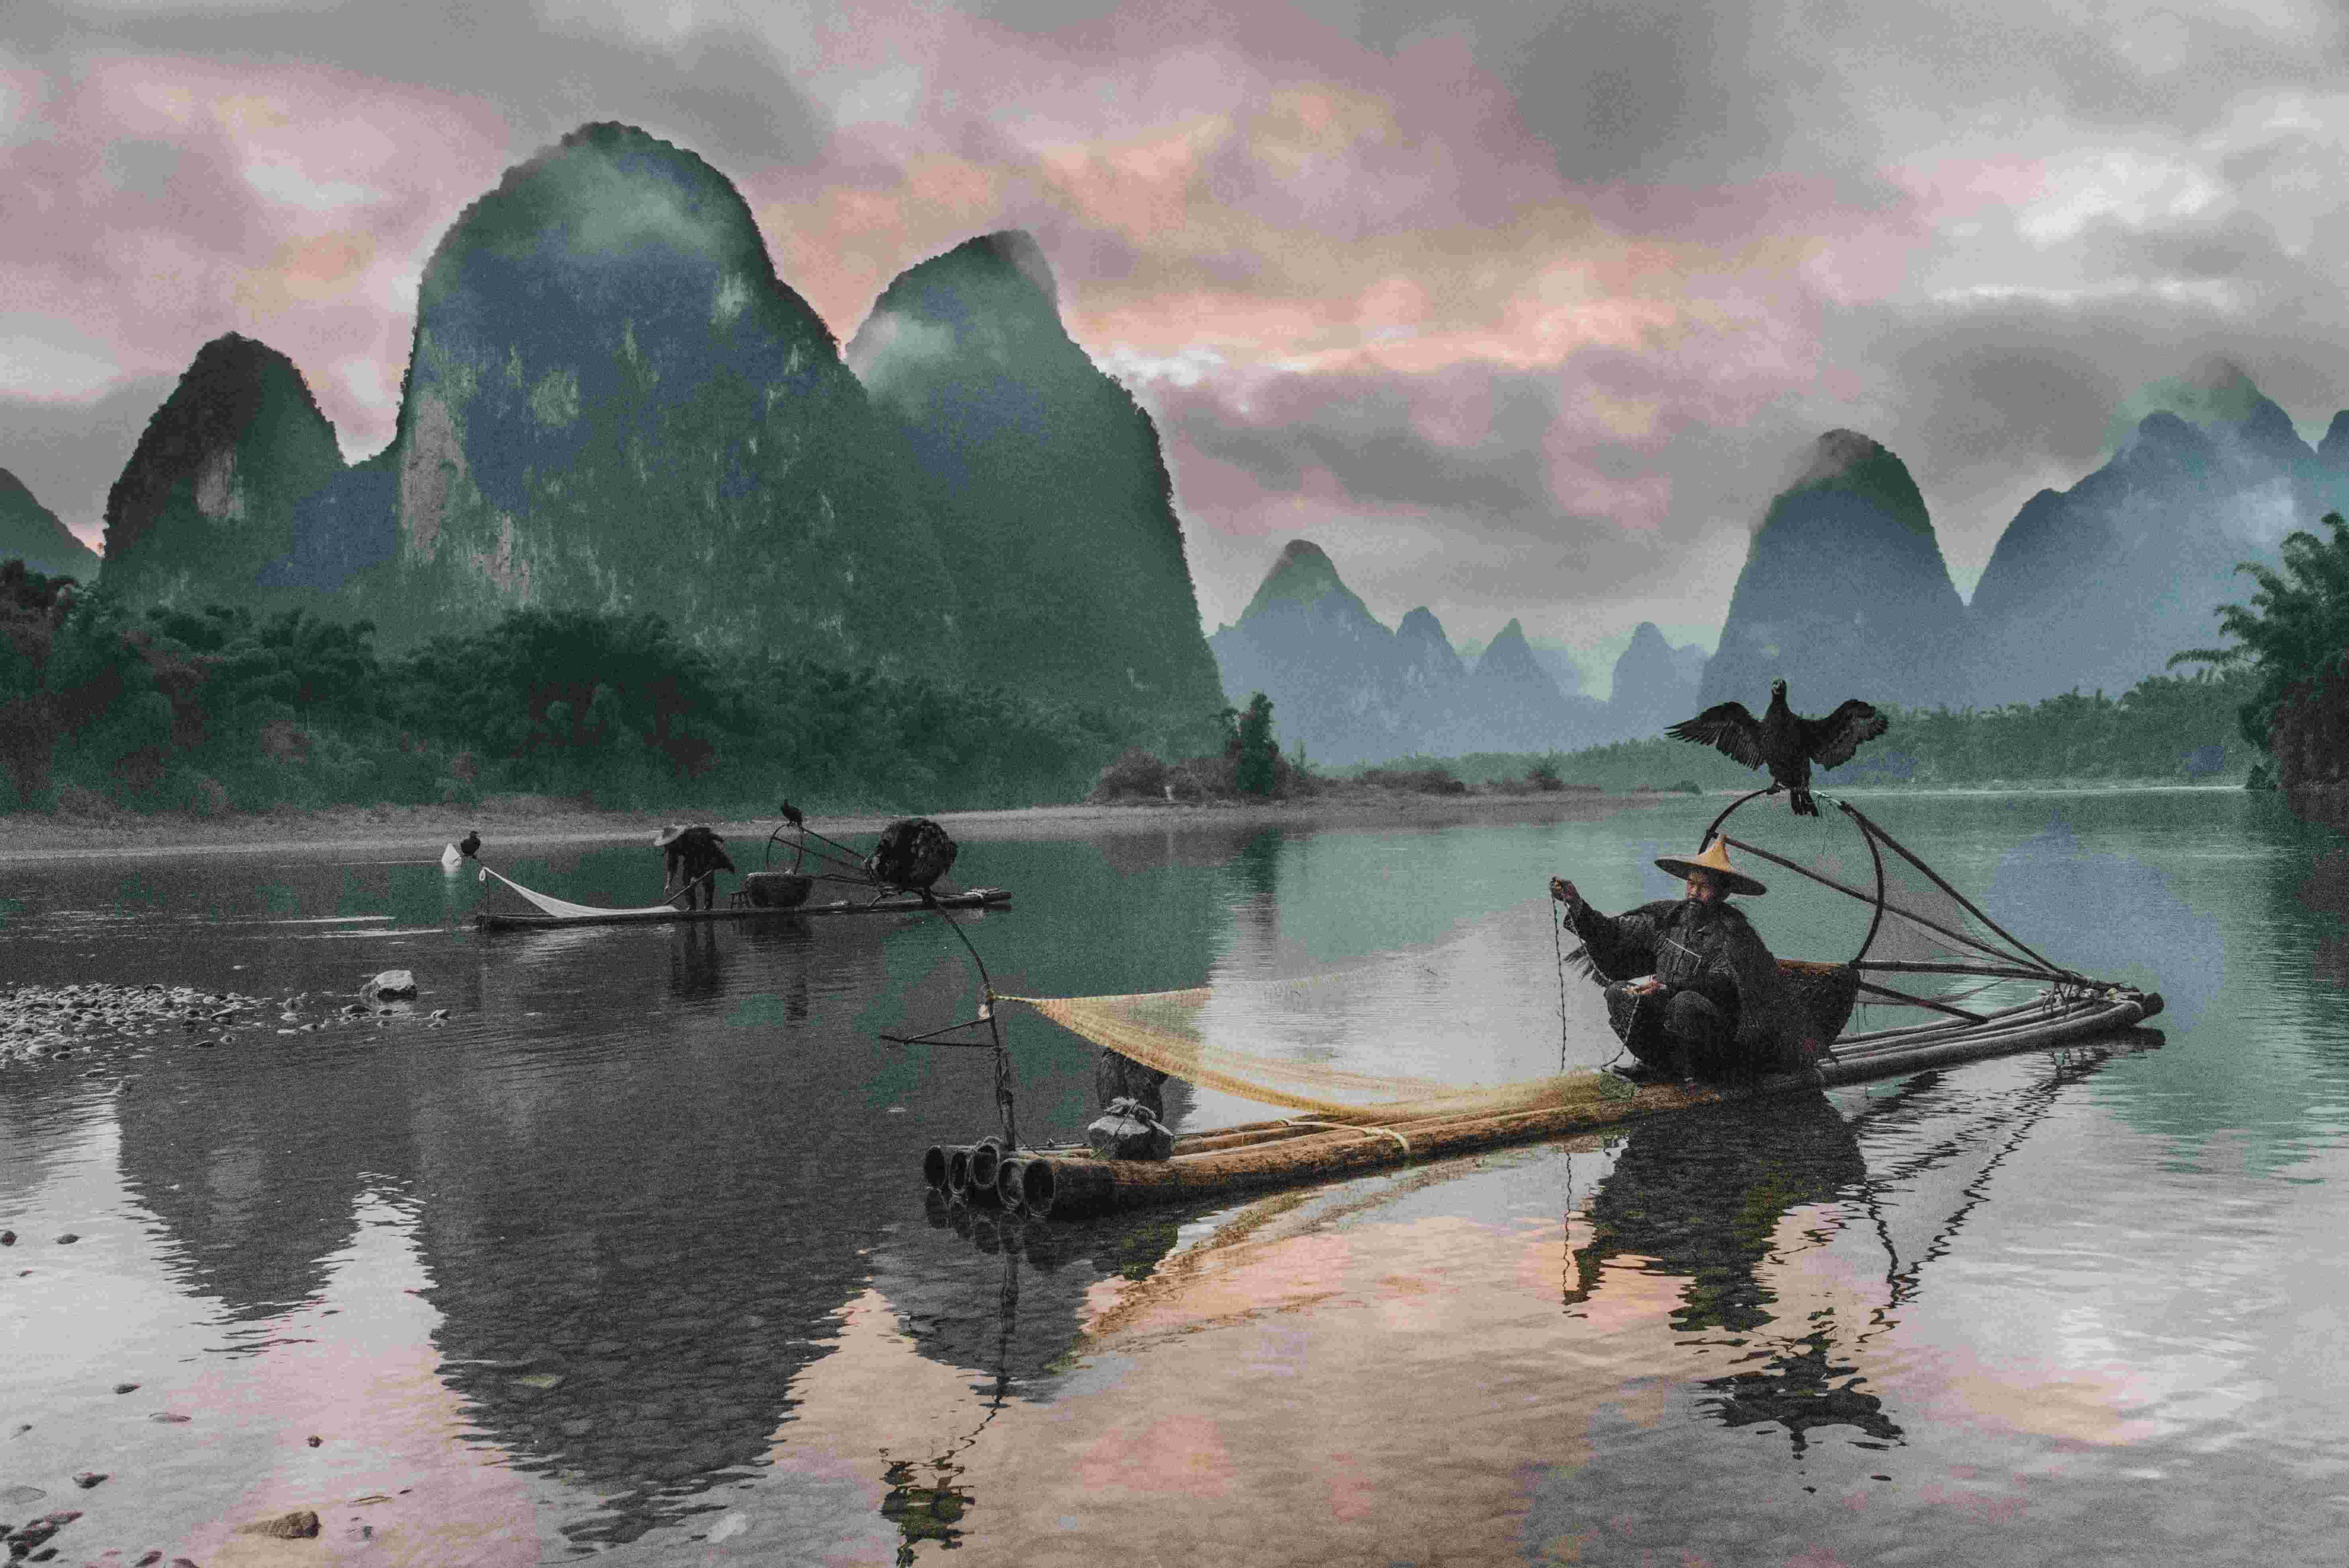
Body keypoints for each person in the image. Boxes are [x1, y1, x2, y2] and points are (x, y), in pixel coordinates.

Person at [1549, 836, 1803, 1083]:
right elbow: (1611, 932)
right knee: (1619, 994)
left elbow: (1723, 986)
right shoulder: (1667, 920)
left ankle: (1701, 1073)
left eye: (1704, 887)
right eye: (1691, 884)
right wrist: (1576, 903)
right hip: (1669, 1020)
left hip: (1718, 1041)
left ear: (1723, 893)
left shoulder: (1734, 936)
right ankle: (1658, 1065)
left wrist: (1669, 989)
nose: (1694, 892)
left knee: (1685, 1003)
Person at [656, 824, 736, 910]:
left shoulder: (692, 838)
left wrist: (695, 876)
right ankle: (692, 907)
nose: (666, 846)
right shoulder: (672, 846)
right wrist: (669, 884)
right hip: (693, 860)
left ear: (674, 839)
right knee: (687, 881)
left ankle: (708, 907)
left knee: (708, 881)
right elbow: (672, 866)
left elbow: (698, 858)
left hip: (708, 854)